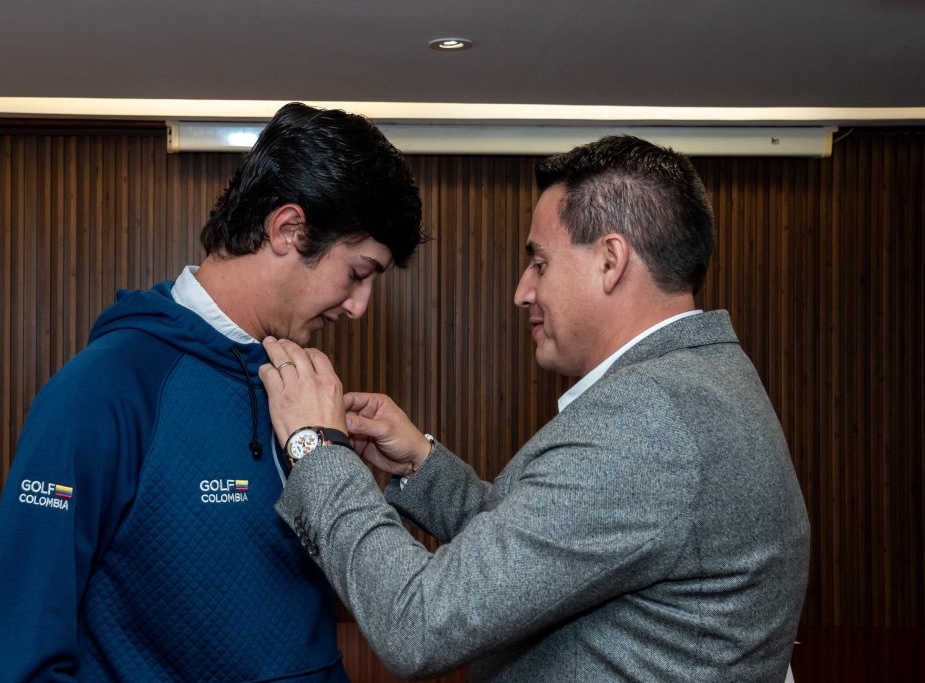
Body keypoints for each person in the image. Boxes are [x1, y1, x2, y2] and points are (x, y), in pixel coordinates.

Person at [259, 135, 810, 682]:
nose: (523, 291)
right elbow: (545, 556)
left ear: (610, 261)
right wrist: (421, 465)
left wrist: (318, 449)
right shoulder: (703, 379)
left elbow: (418, 623)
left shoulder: (646, 422)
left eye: (540, 264)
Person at [0, 102, 425, 682]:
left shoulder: (305, 391)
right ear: (288, 230)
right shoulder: (102, 391)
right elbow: (20, 655)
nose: (360, 307)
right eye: (358, 273)